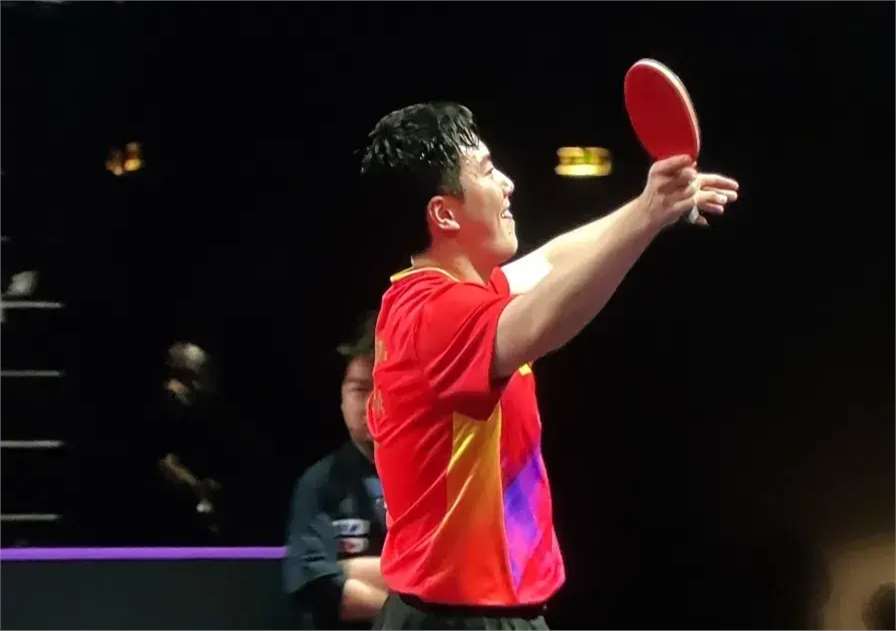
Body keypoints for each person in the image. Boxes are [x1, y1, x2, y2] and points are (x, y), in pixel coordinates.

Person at [360, 102, 739, 629]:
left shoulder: (451, 295)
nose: (509, 183)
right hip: (458, 620)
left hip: (482, 613)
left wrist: (650, 210)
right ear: (444, 214)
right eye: (487, 171)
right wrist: (646, 216)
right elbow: (541, 320)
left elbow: (551, 263)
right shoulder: (434, 316)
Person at [283, 312, 388, 629]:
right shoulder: (319, 483)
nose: (370, 402)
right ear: (342, 399)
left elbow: (453, 578)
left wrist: (348, 569)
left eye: (382, 388)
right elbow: (316, 586)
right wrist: (412, 615)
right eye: (359, 389)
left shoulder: (437, 476)